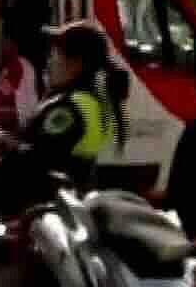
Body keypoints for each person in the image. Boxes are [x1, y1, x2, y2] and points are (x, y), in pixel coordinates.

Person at [22, 19, 130, 191]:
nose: (49, 62)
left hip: (52, 203)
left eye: (54, 54)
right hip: (75, 196)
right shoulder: (95, 101)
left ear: (75, 64)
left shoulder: (68, 108)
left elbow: (37, 157)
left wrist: (1, 141)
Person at [0, 30, 40, 133]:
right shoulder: (6, 66)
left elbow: (1, 95)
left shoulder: (17, 64)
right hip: (17, 120)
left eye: (4, 42)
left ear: (12, 43)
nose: (1, 46)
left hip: (17, 122)